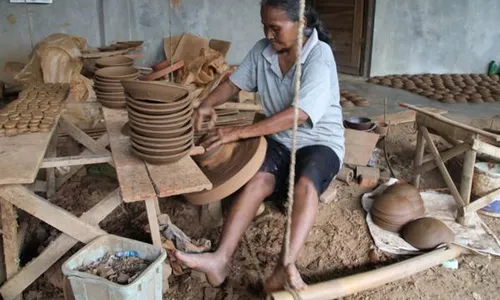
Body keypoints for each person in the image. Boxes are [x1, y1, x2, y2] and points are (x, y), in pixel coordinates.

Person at [173, 0, 344, 293]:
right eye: (264, 26)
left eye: (275, 28)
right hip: (279, 140)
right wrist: (206, 104)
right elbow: (234, 83)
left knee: (305, 184)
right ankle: (220, 259)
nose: (268, 34)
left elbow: (297, 114)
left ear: (301, 24)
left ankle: (284, 266)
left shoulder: (319, 56)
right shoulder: (262, 51)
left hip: (319, 142)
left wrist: (236, 133)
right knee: (256, 181)